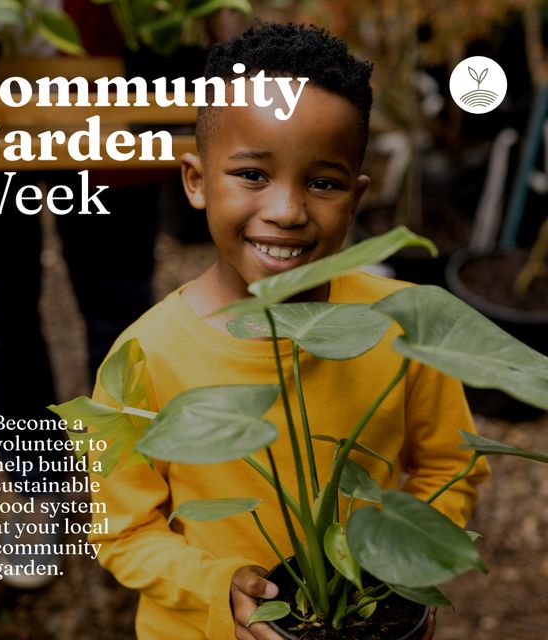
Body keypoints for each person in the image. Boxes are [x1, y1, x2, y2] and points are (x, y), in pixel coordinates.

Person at [87, 22, 490, 639]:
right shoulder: (144, 355)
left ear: (356, 198)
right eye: (252, 174)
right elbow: (124, 531)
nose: (288, 210)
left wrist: (409, 566)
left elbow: (450, 468)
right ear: (196, 181)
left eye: (323, 183)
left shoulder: (408, 325)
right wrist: (215, 585)